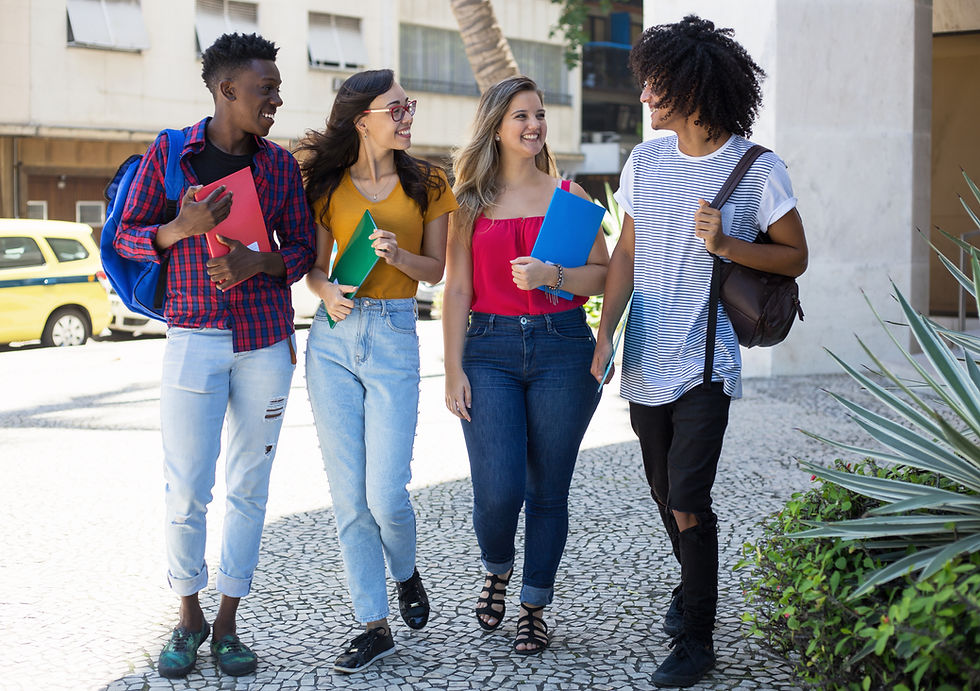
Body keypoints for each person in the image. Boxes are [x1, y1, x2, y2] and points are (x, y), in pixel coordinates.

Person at [590, 16, 809, 688]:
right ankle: (692, 589)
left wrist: (728, 245)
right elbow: (625, 251)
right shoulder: (646, 161)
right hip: (647, 357)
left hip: (707, 360)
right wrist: (605, 332)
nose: (645, 95)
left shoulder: (755, 167)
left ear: (689, 86)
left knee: (689, 494)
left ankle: (697, 636)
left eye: (656, 83)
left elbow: (795, 254)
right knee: (664, 490)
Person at [115, 33, 316, 678]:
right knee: (185, 490)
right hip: (192, 336)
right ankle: (187, 619)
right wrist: (181, 228)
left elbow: (305, 251)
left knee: (249, 487)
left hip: (264, 341)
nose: (276, 101)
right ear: (227, 90)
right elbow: (122, 233)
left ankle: (228, 624)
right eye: (266, 90)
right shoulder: (171, 154)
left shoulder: (280, 166)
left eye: (278, 89)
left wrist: (260, 261)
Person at [297, 69, 457, 674]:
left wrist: (398, 254)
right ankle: (373, 624)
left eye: (408, 105)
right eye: (397, 107)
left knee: (386, 493)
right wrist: (327, 291)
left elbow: (436, 270)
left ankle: (406, 568)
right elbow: (312, 270)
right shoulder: (328, 184)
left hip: (393, 334)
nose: (407, 114)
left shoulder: (429, 182)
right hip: (334, 339)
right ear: (363, 117)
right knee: (348, 500)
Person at [444, 76, 609, 655]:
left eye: (539, 114)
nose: (534, 125)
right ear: (495, 125)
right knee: (498, 488)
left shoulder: (571, 198)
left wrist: (552, 277)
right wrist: (451, 369)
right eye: (521, 116)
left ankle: (535, 605)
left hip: (562, 347)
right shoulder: (468, 202)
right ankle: (496, 567)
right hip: (486, 350)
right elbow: (457, 290)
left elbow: (605, 275)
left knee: (548, 490)